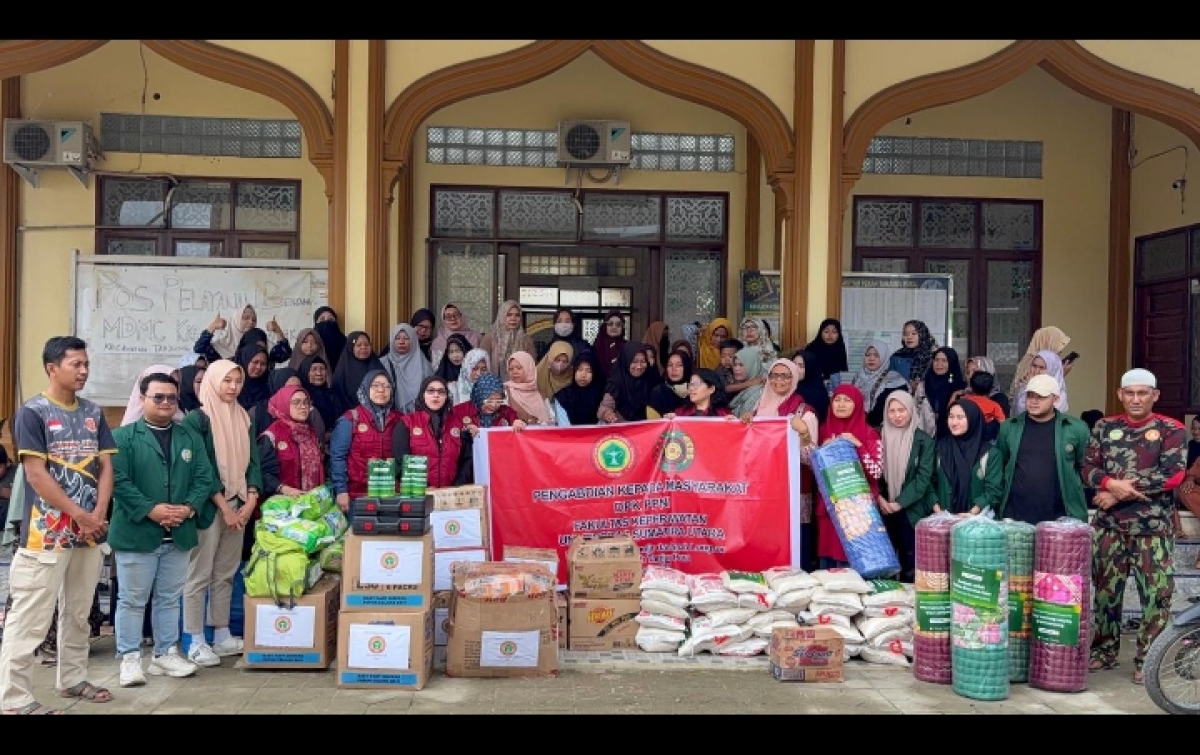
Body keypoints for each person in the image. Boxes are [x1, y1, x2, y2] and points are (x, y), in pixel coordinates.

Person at [0, 336, 117, 714]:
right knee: (30, 617)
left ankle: (72, 679)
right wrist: (79, 514)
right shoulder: (32, 412)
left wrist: (97, 513)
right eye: (75, 364)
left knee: (79, 610)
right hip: (46, 530)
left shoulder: (93, 412)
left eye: (86, 364)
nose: (84, 371)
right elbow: (36, 475)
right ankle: (14, 700)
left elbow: (106, 467)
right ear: (52, 367)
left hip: (90, 529)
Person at [110, 372, 215, 687]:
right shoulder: (122, 438)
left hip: (179, 532)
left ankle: (164, 654)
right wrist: (151, 510)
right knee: (132, 599)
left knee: (169, 598)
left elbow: (204, 478)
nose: (166, 403)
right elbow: (119, 483)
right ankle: (129, 658)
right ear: (142, 399)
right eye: (158, 397)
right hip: (137, 533)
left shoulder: (189, 437)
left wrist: (189, 508)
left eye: (172, 397)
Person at [1085, 368, 1186, 685]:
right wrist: (1108, 482)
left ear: (1154, 395)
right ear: (1120, 394)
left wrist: (1116, 492)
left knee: (1156, 597)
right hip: (1109, 529)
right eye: (1130, 393)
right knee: (1104, 594)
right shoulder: (1105, 427)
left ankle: (1148, 659)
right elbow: (1087, 466)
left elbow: (1173, 476)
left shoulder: (1171, 429)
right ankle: (1103, 652)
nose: (1136, 399)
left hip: (1152, 529)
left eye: (1143, 393)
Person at [181, 359, 262, 668]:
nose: (233, 387)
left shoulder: (243, 416)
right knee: (198, 574)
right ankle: (196, 640)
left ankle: (222, 634)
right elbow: (202, 468)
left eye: (237, 381)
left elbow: (253, 460)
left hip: (240, 504)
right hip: (210, 507)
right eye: (226, 380)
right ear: (213, 381)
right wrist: (225, 507)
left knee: (226, 572)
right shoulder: (196, 420)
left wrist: (251, 499)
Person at [982, 374, 1089, 527]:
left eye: (1041, 397)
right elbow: (1002, 464)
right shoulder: (1009, 427)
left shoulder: (1075, 429)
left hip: (1060, 517)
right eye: (1030, 396)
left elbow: (1083, 467)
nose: (1033, 401)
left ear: (1056, 399)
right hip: (1015, 515)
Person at [878, 391, 935, 582]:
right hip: (882, 510)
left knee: (910, 565)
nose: (897, 415)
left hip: (911, 510)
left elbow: (923, 479)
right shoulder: (879, 436)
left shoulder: (923, 441)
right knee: (883, 565)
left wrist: (899, 503)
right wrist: (879, 497)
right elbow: (871, 472)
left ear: (910, 410)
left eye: (901, 410)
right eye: (892, 411)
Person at [330, 370, 404, 512]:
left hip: (392, 495)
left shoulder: (400, 420)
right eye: (375, 385)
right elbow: (337, 457)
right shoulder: (351, 419)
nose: (381, 390)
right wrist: (341, 490)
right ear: (365, 388)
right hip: (359, 496)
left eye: (386, 386)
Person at [394, 377, 473, 489]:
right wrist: (421, 487)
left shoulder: (458, 424)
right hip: (418, 494)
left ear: (446, 397)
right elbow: (400, 461)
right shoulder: (407, 423)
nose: (436, 395)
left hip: (451, 495)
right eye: (431, 391)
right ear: (423, 394)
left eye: (441, 391)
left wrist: (456, 487)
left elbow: (466, 460)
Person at [258, 385, 326, 498]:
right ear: (284, 404)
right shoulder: (272, 436)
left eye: (305, 402)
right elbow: (262, 473)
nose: (303, 406)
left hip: (310, 504)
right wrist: (284, 489)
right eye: (296, 402)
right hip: (282, 507)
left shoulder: (310, 433)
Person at [930, 400, 991, 516]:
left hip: (976, 525)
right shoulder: (939, 448)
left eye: (960, 417)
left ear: (972, 419)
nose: (954, 422)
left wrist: (972, 513)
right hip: (943, 520)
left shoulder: (990, 453)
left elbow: (993, 490)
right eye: (951, 417)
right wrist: (937, 510)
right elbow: (928, 482)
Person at [479, 299, 536, 383]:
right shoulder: (490, 338)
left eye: (517, 315)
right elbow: (482, 364)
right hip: (493, 388)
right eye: (509, 315)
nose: (513, 318)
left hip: (520, 387)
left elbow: (531, 366)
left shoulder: (526, 340)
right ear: (502, 316)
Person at [803, 318, 849, 385]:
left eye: (834, 332)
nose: (830, 335)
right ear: (820, 332)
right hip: (814, 384)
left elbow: (841, 374)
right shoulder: (811, 348)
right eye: (826, 332)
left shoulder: (840, 348)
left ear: (839, 334)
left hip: (833, 387)